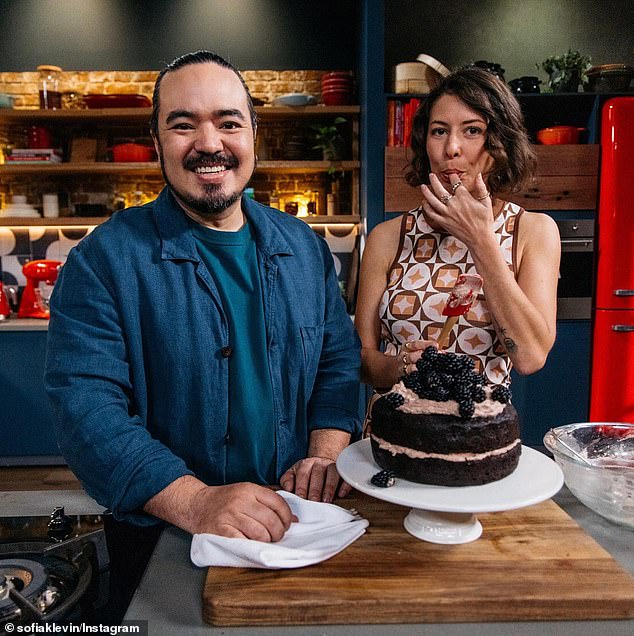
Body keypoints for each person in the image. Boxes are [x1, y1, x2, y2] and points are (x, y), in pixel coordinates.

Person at [45, 50, 361, 540]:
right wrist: (195, 502)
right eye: (183, 125)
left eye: (229, 123)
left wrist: (324, 454)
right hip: (165, 531)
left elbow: (337, 362)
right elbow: (88, 411)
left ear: (255, 132)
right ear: (157, 142)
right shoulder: (103, 261)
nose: (209, 143)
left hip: (300, 517)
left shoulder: (304, 248)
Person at [355, 67, 560, 403]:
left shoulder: (533, 232)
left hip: (478, 440)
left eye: (472, 131)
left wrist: (480, 239)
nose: (452, 147)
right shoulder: (388, 237)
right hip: (392, 435)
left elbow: (530, 356)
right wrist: (403, 365)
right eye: (439, 131)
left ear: (498, 143)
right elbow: (361, 361)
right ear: (425, 144)